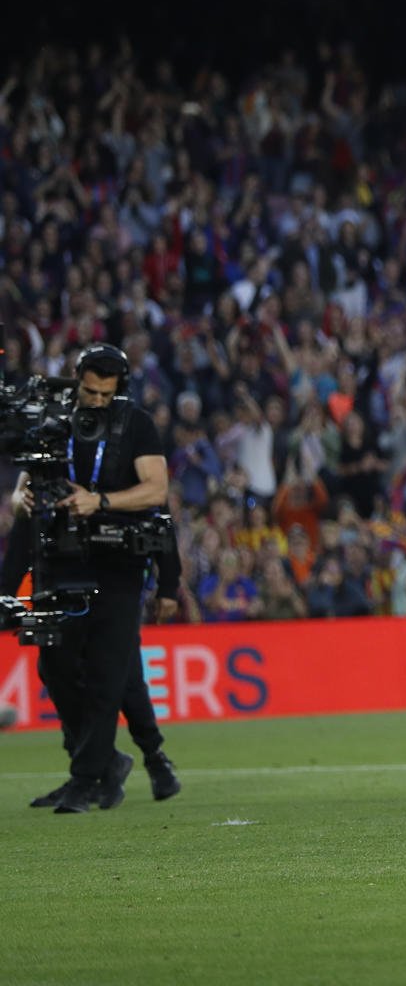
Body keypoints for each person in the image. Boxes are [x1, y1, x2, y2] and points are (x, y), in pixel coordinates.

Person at [5, 345, 178, 814]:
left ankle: (92, 777)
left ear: (119, 388)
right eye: (88, 390)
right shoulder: (56, 421)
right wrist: (23, 497)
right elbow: (28, 489)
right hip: (64, 563)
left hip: (119, 566)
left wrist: (98, 501)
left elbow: (157, 492)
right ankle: (104, 764)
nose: (96, 401)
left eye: (105, 392)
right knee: (55, 668)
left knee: (109, 677)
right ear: (76, 380)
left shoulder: (135, 424)